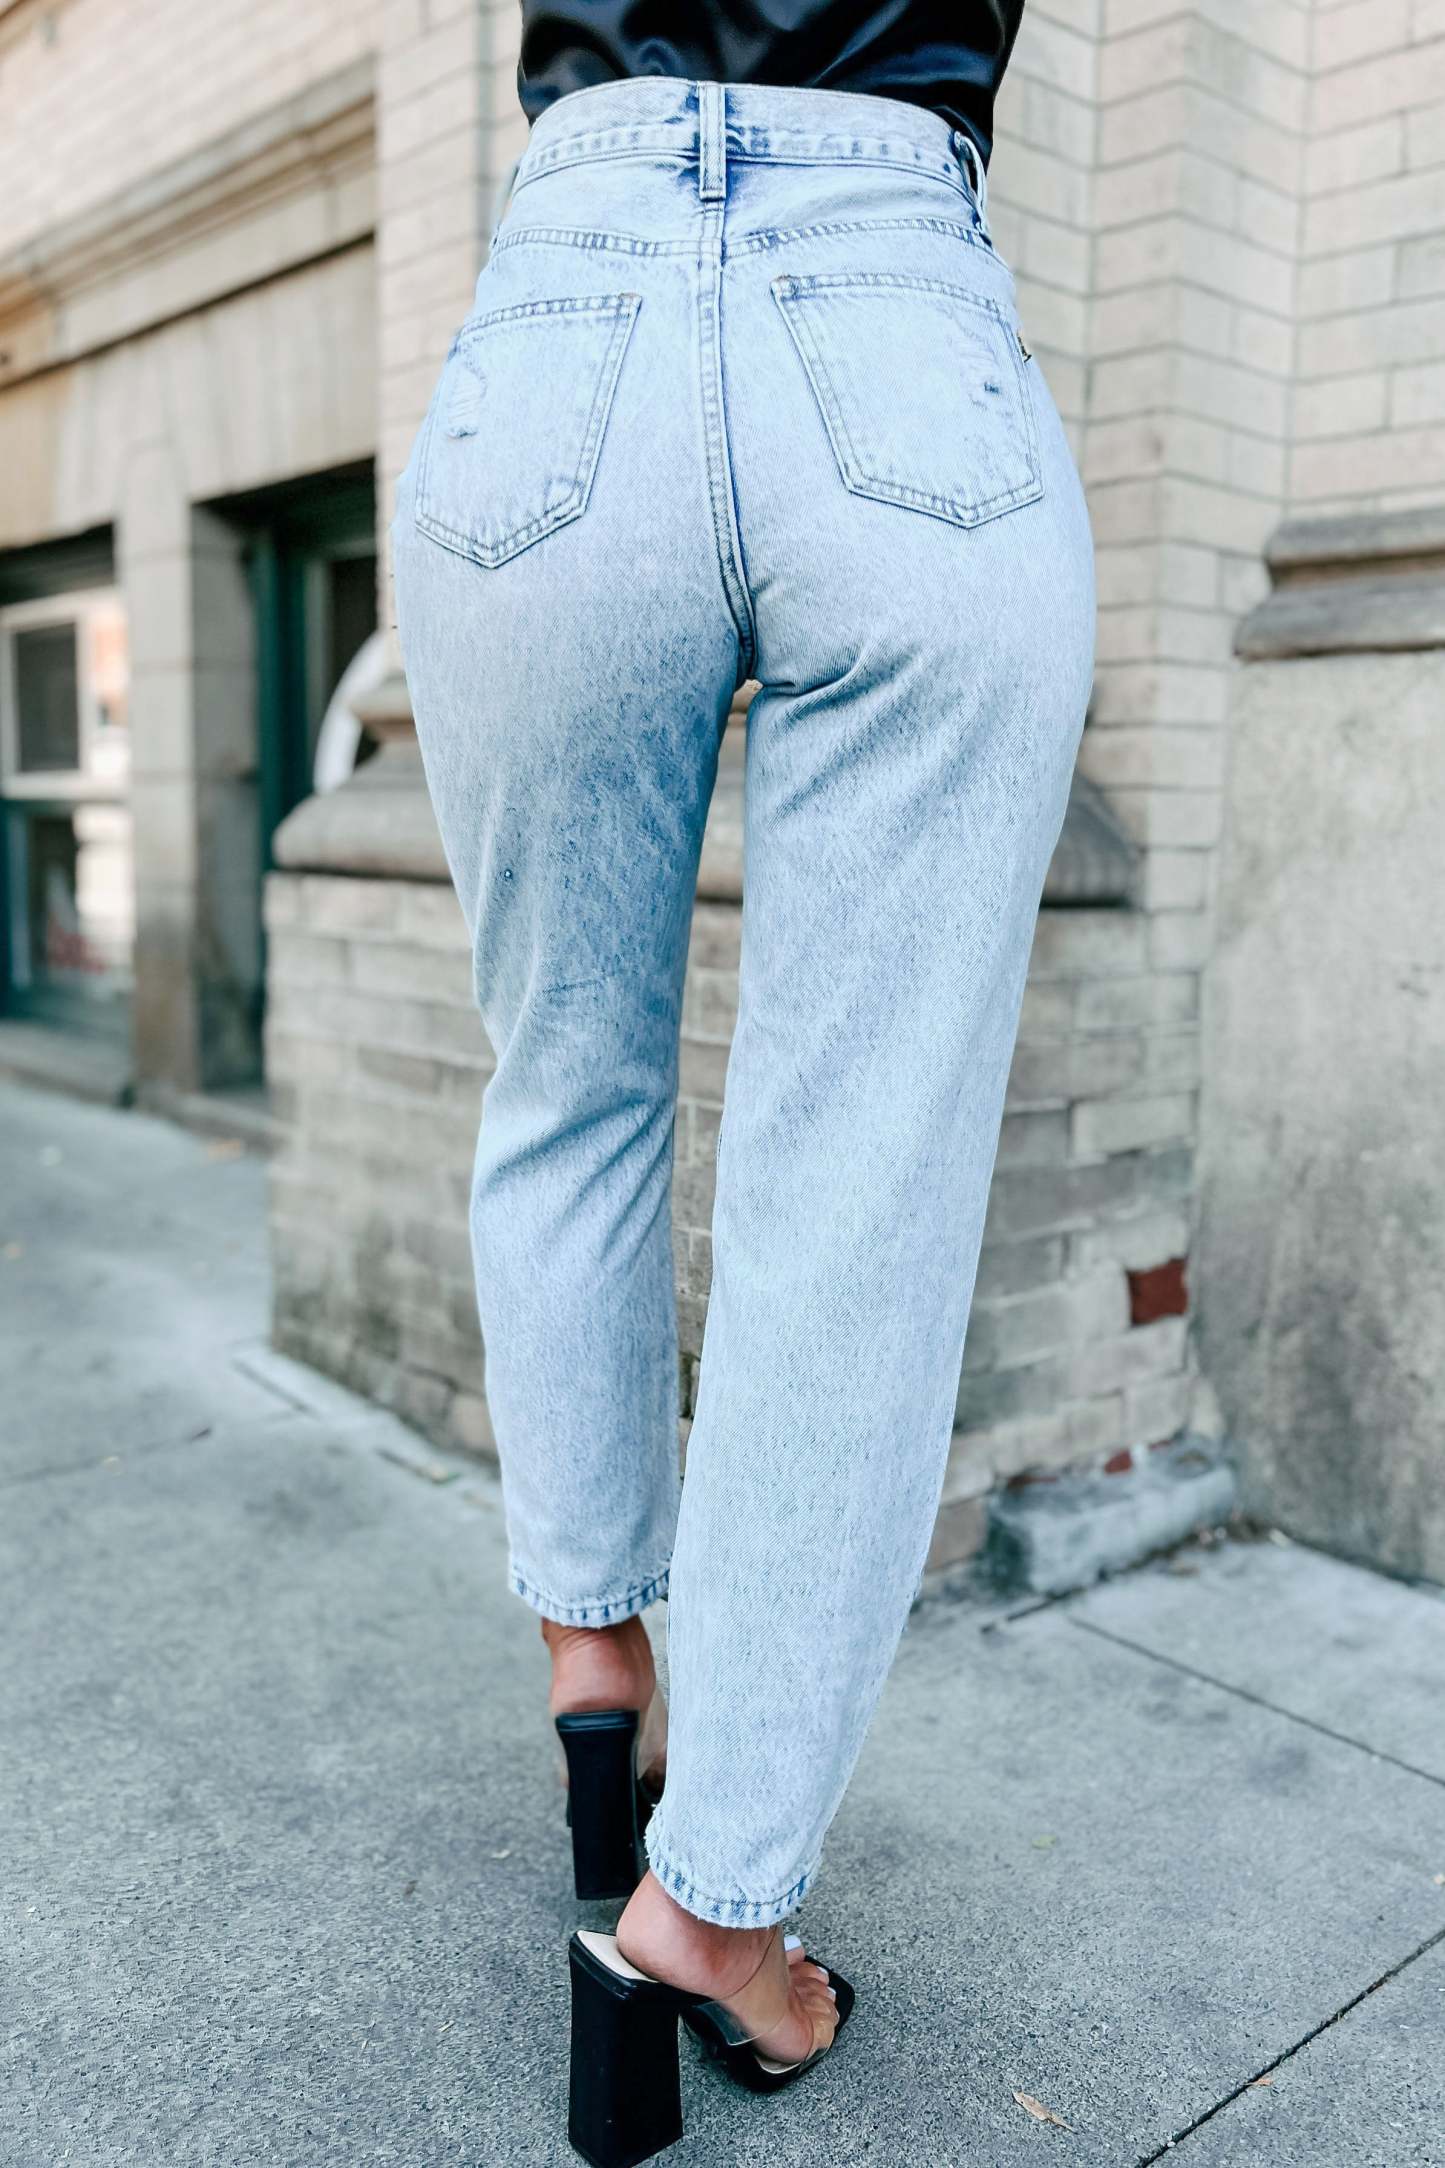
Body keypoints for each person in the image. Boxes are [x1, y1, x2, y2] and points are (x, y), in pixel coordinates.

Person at [390, 8, 1094, 2159]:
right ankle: (709, 1916)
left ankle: (594, 1667)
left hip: (569, 301)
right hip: (892, 299)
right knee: (853, 1165)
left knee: (564, 1087)